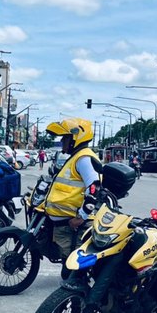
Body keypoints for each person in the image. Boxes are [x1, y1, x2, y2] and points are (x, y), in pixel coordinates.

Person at [43, 118, 101, 280]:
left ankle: (79, 291)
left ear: (76, 137)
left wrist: (81, 217)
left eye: (65, 138)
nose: (62, 141)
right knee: (68, 268)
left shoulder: (83, 158)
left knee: (73, 272)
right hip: (66, 223)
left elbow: (94, 188)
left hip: (74, 225)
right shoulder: (77, 157)